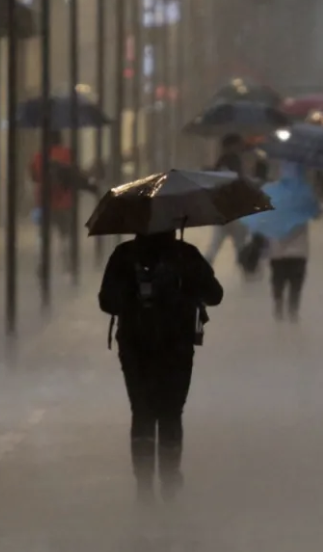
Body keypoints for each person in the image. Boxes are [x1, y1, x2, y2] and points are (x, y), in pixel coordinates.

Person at [98, 229, 223, 503]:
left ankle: (144, 484)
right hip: (177, 347)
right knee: (171, 412)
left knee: (141, 411)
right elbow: (215, 295)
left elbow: (106, 301)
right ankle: (169, 478)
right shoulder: (186, 254)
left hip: (134, 347)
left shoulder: (123, 255)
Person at [30, 130, 76, 274]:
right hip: (64, 202)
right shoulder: (67, 154)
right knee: (65, 235)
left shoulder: (39, 156)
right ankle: (68, 263)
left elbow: (34, 176)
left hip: (44, 202)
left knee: (44, 236)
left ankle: (43, 263)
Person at [205, 134, 251, 265]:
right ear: (231, 145)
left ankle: (203, 268)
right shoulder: (233, 160)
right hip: (235, 209)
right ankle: (248, 274)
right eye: (238, 144)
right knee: (240, 243)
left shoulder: (220, 162)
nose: (241, 146)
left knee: (215, 244)